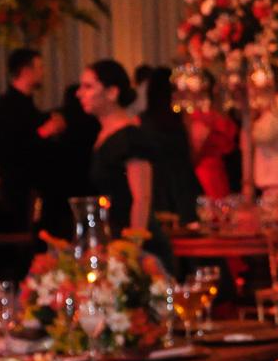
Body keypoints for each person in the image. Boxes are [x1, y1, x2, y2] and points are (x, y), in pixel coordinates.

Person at [77, 60, 175, 272]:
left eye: (88, 86)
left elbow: (142, 198)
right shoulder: (103, 135)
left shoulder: (130, 137)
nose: (79, 93)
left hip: (136, 248)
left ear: (112, 92)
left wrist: (132, 252)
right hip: (114, 242)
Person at [0, 48, 65, 232]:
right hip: (20, 189)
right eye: (40, 67)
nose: (43, 73)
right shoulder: (7, 107)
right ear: (26, 71)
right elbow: (14, 148)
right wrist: (46, 131)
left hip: (34, 186)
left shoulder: (27, 105)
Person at [33, 83, 98, 242]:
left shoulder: (58, 121)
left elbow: (37, 142)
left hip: (57, 188)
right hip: (84, 186)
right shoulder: (93, 123)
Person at [137, 68, 204, 221]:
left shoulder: (142, 121)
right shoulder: (182, 119)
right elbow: (192, 153)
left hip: (157, 184)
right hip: (182, 184)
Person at [184, 70, 238, 199]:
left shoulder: (198, 118)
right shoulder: (218, 116)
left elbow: (194, 152)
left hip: (204, 174)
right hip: (217, 172)